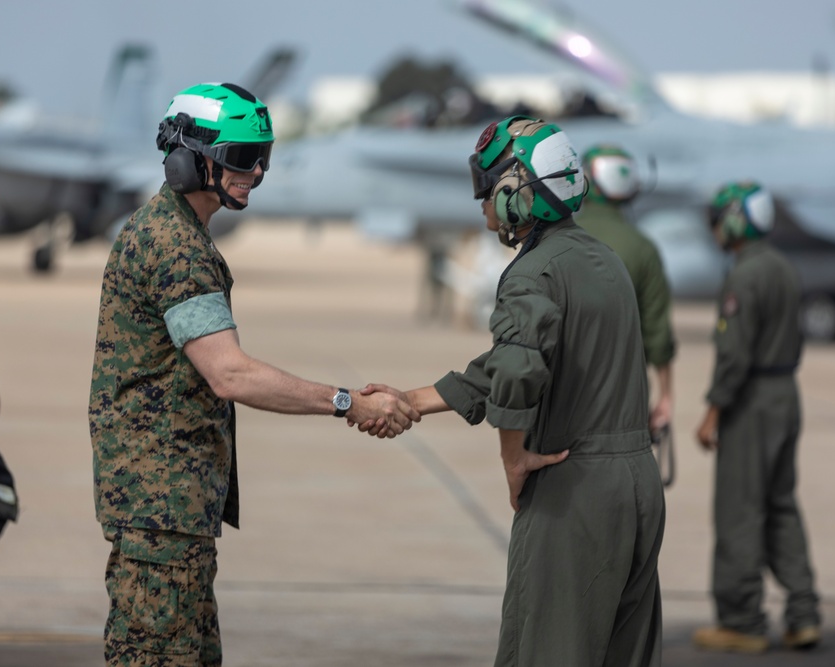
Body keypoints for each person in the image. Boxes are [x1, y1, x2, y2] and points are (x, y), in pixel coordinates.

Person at [88, 82, 419, 667]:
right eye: (242, 157)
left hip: (170, 509)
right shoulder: (174, 248)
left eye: (264, 156)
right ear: (190, 158)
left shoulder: (173, 233)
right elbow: (231, 374)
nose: (256, 171)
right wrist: (349, 402)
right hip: (162, 510)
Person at [357, 116, 665, 666]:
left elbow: (521, 370)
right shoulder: (604, 260)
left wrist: (513, 456)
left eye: (487, 187)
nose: (481, 204)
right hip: (637, 483)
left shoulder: (532, 272)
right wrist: (417, 399)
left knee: (547, 650)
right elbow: (521, 359)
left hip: (575, 490)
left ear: (517, 191)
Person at [693, 181, 821, 653]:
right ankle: (803, 613)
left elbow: (734, 355)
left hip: (752, 400)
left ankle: (742, 620)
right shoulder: (784, 267)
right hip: (786, 394)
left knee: (739, 511)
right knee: (781, 504)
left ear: (734, 221)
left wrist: (712, 412)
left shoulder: (744, 276)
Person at [575, 144, 676, 436]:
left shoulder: (553, 239)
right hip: (626, 400)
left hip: (563, 398)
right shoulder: (644, 248)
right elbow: (657, 332)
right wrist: (666, 396)